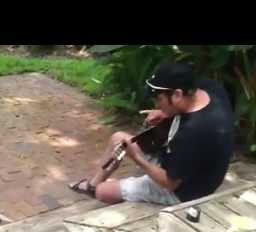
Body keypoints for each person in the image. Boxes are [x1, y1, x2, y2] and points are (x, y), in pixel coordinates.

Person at [69, 62, 234, 206]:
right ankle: (92, 185)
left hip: (186, 191)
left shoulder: (192, 132)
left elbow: (170, 183)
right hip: (187, 164)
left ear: (177, 95)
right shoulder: (210, 89)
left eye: (158, 99)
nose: (156, 104)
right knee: (118, 139)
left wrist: (137, 158)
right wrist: (164, 112)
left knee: (103, 192)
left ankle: (98, 189)